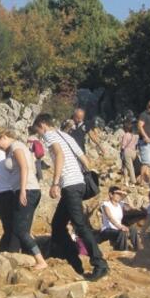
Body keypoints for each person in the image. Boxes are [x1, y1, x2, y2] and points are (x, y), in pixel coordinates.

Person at [33, 113, 109, 281]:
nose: (39, 134)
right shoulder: (66, 135)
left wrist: (55, 183)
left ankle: (100, 263)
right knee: (58, 225)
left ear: (43, 125)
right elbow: (84, 159)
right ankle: (73, 259)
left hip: (70, 185)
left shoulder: (49, 135)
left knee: (80, 225)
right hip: (79, 183)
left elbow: (59, 155)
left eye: (38, 130)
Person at [0, 129, 47, 270]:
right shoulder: (11, 149)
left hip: (28, 190)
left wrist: (22, 190)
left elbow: (24, 167)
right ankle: (28, 257)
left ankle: (40, 260)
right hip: (27, 189)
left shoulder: (16, 146)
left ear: (4, 137)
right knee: (23, 228)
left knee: (20, 229)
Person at [98, 186, 140, 251]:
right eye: (117, 194)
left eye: (120, 194)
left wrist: (126, 196)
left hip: (118, 229)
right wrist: (120, 227)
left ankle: (137, 249)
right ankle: (123, 251)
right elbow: (110, 217)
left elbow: (132, 208)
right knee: (122, 232)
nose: (119, 196)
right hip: (107, 230)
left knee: (133, 228)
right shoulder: (105, 204)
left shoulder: (120, 204)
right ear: (111, 194)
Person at [137, 100, 150, 184]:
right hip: (144, 142)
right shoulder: (143, 115)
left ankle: (147, 181)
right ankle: (142, 181)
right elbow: (139, 126)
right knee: (145, 162)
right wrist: (145, 136)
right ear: (147, 106)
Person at [120, 120, 139, 186]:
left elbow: (123, 145)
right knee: (126, 166)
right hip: (134, 152)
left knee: (130, 167)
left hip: (127, 152)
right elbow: (136, 145)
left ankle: (133, 182)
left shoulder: (125, 135)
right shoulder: (134, 136)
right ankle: (126, 181)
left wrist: (121, 151)